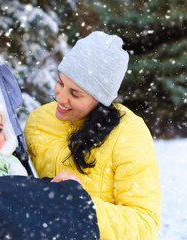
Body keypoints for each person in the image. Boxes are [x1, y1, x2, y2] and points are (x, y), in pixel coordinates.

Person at [24, 31, 161, 239]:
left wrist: (82, 205)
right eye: (61, 83)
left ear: (100, 99)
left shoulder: (129, 133)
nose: (60, 97)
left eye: (75, 94)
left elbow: (144, 224)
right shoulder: (39, 121)